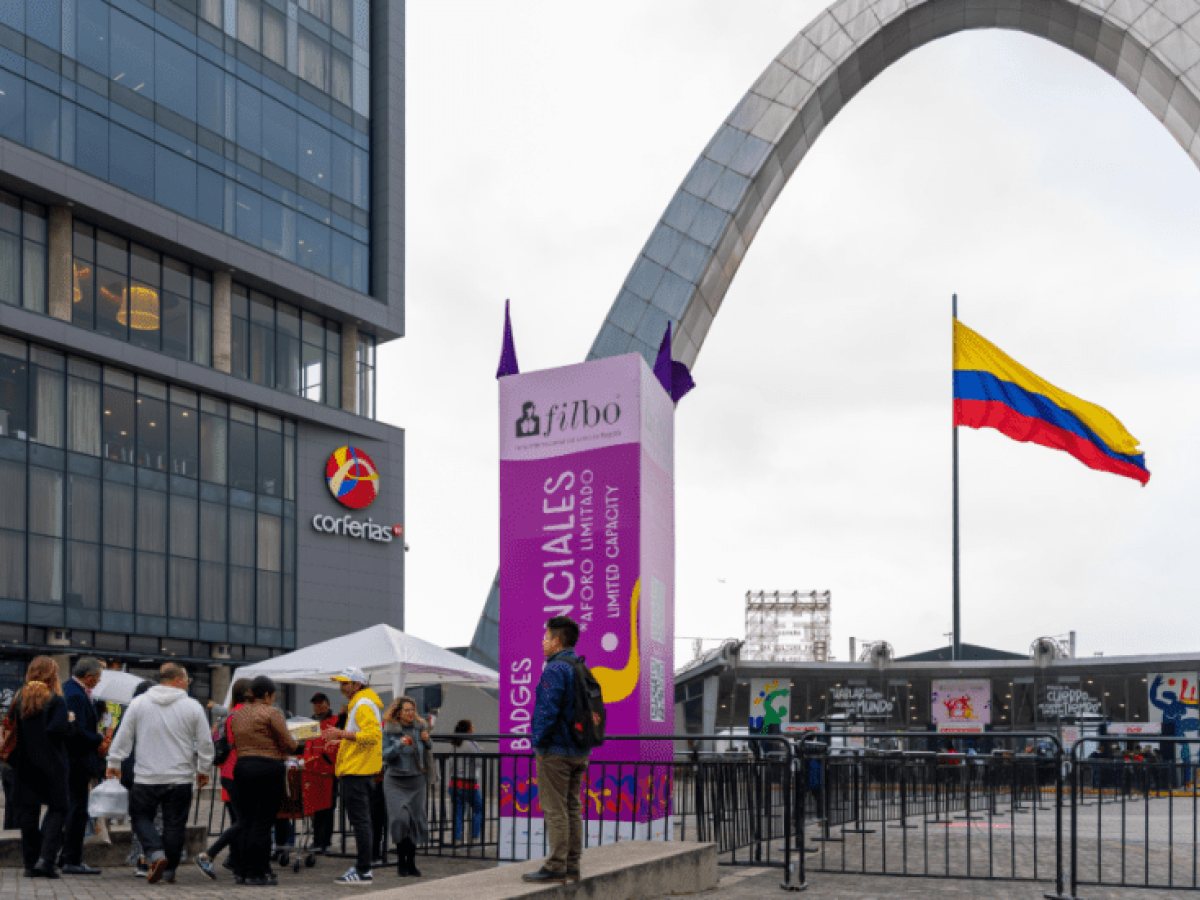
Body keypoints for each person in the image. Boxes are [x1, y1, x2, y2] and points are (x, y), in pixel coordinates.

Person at [106, 663, 214, 885]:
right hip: (180, 777)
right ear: (177, 679)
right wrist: (204, 769)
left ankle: (155, 853)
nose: (187, 684)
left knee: (140, 817)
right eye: (186, 680)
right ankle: (169, 871)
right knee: (175, 824)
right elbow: (205, 743)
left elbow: (123, 735)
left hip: (146, 777)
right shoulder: (192, 706)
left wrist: (114, 761)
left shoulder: (139, 703)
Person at [522, 615, 590, 885]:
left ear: (557, 640)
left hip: (556, 750)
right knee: (573, 807)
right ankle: (572, 865)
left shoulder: (555, 669)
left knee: (555, 809)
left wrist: (538, 743)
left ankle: (556, 865)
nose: (543, 642)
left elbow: (546, 710)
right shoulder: (580, 666)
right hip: (580, 749)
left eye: (546, 637)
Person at [228, 675, 297, 886]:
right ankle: (258, 871)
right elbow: (289, 744)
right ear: (267, 694)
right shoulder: (271, 713)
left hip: (242, 768)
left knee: (246, 821)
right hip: (268, 768)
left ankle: (242, 871)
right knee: (263, 821)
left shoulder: (237, 715)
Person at [11, 656, 72, 878]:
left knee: (28, 814)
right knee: (59, 809)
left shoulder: (19, 698)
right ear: (51, 674)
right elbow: (57, 731)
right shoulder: (55, 700)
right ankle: (46, 860)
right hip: (52, 765)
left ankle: (30, 864)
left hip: (24, 764)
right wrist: (69, 721)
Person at [324, 666, 383, 885]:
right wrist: (342, 739)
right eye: (340, 683)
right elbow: (366, 736)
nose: (341, 687)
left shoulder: (362, 703)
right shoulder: (363, 702)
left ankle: (363, 870)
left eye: (345, 683)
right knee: (362, 821)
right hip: (360, 769)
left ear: (357, 685)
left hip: (357, 771)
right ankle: (363, 868)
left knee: (361, 822)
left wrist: (341, 733)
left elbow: (373, 735)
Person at [195, 678, 251, 879]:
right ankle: (209, 855)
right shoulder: (240, 715)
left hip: (229, 772)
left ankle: (235, 861)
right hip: (238, 772)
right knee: (244, 821)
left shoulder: (231, 714)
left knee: (238, 820)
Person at [60, 656, 109, 876]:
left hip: (76, 762)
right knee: (77, 811)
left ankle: (66, 857)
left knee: (75, 810)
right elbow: (73, 731)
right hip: (76, 762)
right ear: (88, 676)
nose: (99, 681)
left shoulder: (74, 690)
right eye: (98, 677)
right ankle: (72, 859)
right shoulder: (74, 694)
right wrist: (98, 738)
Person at [382, 696, 437, 877]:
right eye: (406, 710)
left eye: (412, 710)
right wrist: (398, 745)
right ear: (398, 713)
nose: (410, 713)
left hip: (416, 780)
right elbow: (384, 755)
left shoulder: (420, 728)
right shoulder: (389, 730)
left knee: (414, 821)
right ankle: (401, 861)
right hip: (395, 781)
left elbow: (427, 749)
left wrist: (427, 740)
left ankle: (411, 863)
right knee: (400, 820)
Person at [308, 692, 339, 853]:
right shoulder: (310, 724)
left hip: (329, 772)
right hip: (312, 771)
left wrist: (328, 761)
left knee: (327, 808)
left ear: (327, 704)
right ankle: (317, 840)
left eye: (320, 702)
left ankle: (324, 841)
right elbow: (304, 746)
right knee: (315, 808)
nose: (318, 705)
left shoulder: (334, 721)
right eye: (315, 703)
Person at [449, 719, 484, 845]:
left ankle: (457, 840)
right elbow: (479, 762)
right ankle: (474, 838)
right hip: (469, 783)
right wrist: (480, 750)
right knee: (478, 810)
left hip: (454, 782)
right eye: (472, 728)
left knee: (458, 813)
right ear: (468, 730)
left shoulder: (454, 743)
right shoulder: (470, 743)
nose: (474, 730)